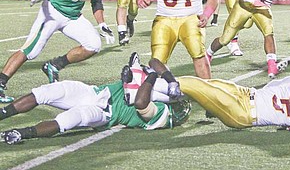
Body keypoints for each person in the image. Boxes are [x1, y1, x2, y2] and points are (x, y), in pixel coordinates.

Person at [0, 53, 191, 145]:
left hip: (104, 114)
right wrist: (170, 80)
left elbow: (140, 101)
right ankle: (3, 114)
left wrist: (148, 76)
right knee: (50, 91)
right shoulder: (165, 90)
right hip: (96, 92)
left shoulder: (161, 116)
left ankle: (21, 133)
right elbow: (153, 61)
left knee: (71, 119)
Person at [145, 56, 290, 134]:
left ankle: (139, 82)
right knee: (191, 89)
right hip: (244, 92)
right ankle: (149, 92)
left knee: (192, 85)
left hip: (244, 113)